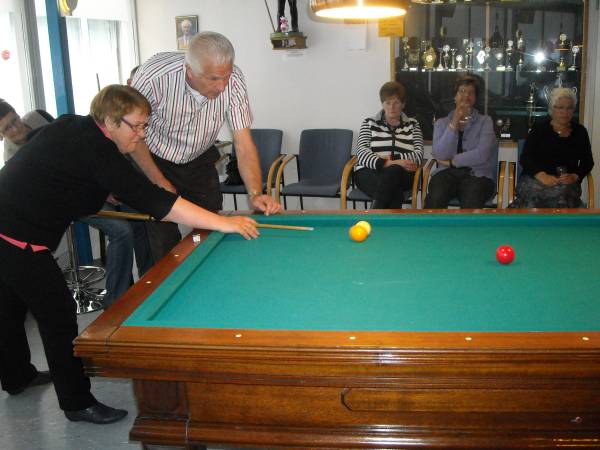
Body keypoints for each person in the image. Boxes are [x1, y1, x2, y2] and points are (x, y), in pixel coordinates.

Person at [0, 85, 258, 424]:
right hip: (16, 237)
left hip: (7, 224)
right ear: (110, 121)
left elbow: (64, 172)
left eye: (145, 126)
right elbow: (161, 204)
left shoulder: (73, 125)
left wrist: (106, 190)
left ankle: (17, 375)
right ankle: (77, 403)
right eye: (135, 126)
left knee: (9, 307)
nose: (141, 135)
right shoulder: (98, 150)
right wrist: (223, 223)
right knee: (58, 316)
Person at [131, 31, 281, 268]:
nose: (222, 86)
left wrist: (255, 193)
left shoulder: (234, 80)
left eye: (225, 76)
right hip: (154, 157)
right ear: (190, 71)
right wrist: (159, 181)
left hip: (198, 158)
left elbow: (243, 143)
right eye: (213, 79)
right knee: (162, 240)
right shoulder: (154, 77)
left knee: (212, 229)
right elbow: (132, 136)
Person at [0, 99, 138, 309]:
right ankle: (116, 302)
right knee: (122, 231)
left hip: (85, 186)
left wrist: (105, 187)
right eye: (7, 128)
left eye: (15, 120)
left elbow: (76, 152)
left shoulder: (38, 117)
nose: (16, 128)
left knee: (133, 206)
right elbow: (53, 193)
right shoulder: (12, 159)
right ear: (1, 135)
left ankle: (133, 288)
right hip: (63, 202)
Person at [425, 75, 497, 209]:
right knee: (436, 196)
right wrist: (453, 124)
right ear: (455, 96)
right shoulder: (441, 123)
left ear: (475, 97)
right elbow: (440, 154)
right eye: (462, 91)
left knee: (472, 195)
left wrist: (452, 162)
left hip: (477, 175)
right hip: (446, 174)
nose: (466, 96)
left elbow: (482, 154)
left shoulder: (485, 121)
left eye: (471, 92)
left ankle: (468, 225)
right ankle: (431, 224)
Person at [513, 87, 593, 208]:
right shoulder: (539, 129)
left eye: (569, 108)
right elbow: (525, 158)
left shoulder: (580, 132)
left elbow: (588, 162)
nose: (565, 112)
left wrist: (574, 176)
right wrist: (541, 175)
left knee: (562, 195)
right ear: (552, 109)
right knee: (536, 194)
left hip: (566, 184)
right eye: (560, 107)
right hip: (536, 179)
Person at [354, 81, 423, 209]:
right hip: (370, 172)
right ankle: (387, 220)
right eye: (388, 103)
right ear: (382, 104)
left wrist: (392, 163)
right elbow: (362, 153)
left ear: (403, 104)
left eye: (396, 103)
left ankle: (373, 216)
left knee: (393, 172)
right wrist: (391, 162)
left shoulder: (413, 125)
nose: (392, 107)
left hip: (403, 174)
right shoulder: (369, 123)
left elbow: (418, 155)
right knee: (393, 190)